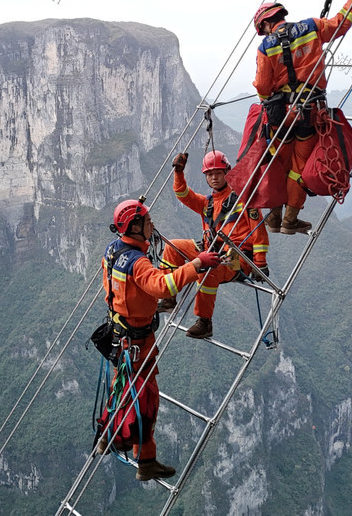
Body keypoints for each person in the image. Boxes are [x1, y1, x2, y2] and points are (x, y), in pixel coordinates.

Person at [99, 199, 220, 481]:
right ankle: (141, 456)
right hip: (137, 342)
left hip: (120, 335)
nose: (152, 225)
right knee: (145, 399)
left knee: (122, 388)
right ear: (135, 227)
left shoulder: (114, 251)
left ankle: (113, 439)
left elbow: (122, 284)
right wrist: (197, 264)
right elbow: (162, 286)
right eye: (148, 221)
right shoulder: (138, 262)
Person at [251, 0, 352, 234]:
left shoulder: (265, 47)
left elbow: (262, 86)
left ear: (267, 23)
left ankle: (273, 218)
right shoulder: (311, 27)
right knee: (298, 169)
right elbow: (340, 24)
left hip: (278, 118)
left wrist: (269, 102)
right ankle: (289, 220)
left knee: (278, 165)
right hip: (308, 113)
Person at [159, 150, 270, 340]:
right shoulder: (207, 203)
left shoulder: (244, 200)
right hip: (211, 250)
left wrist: (260, 263)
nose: (214, 178)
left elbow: (258, 233)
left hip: (237, 258)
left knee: (206, 268)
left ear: (227, 172)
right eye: (210, 174)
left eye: (218, 173)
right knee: (172, 246)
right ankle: (169, 298)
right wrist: (178, 173)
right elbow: (183, 194)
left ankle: (204, 322)